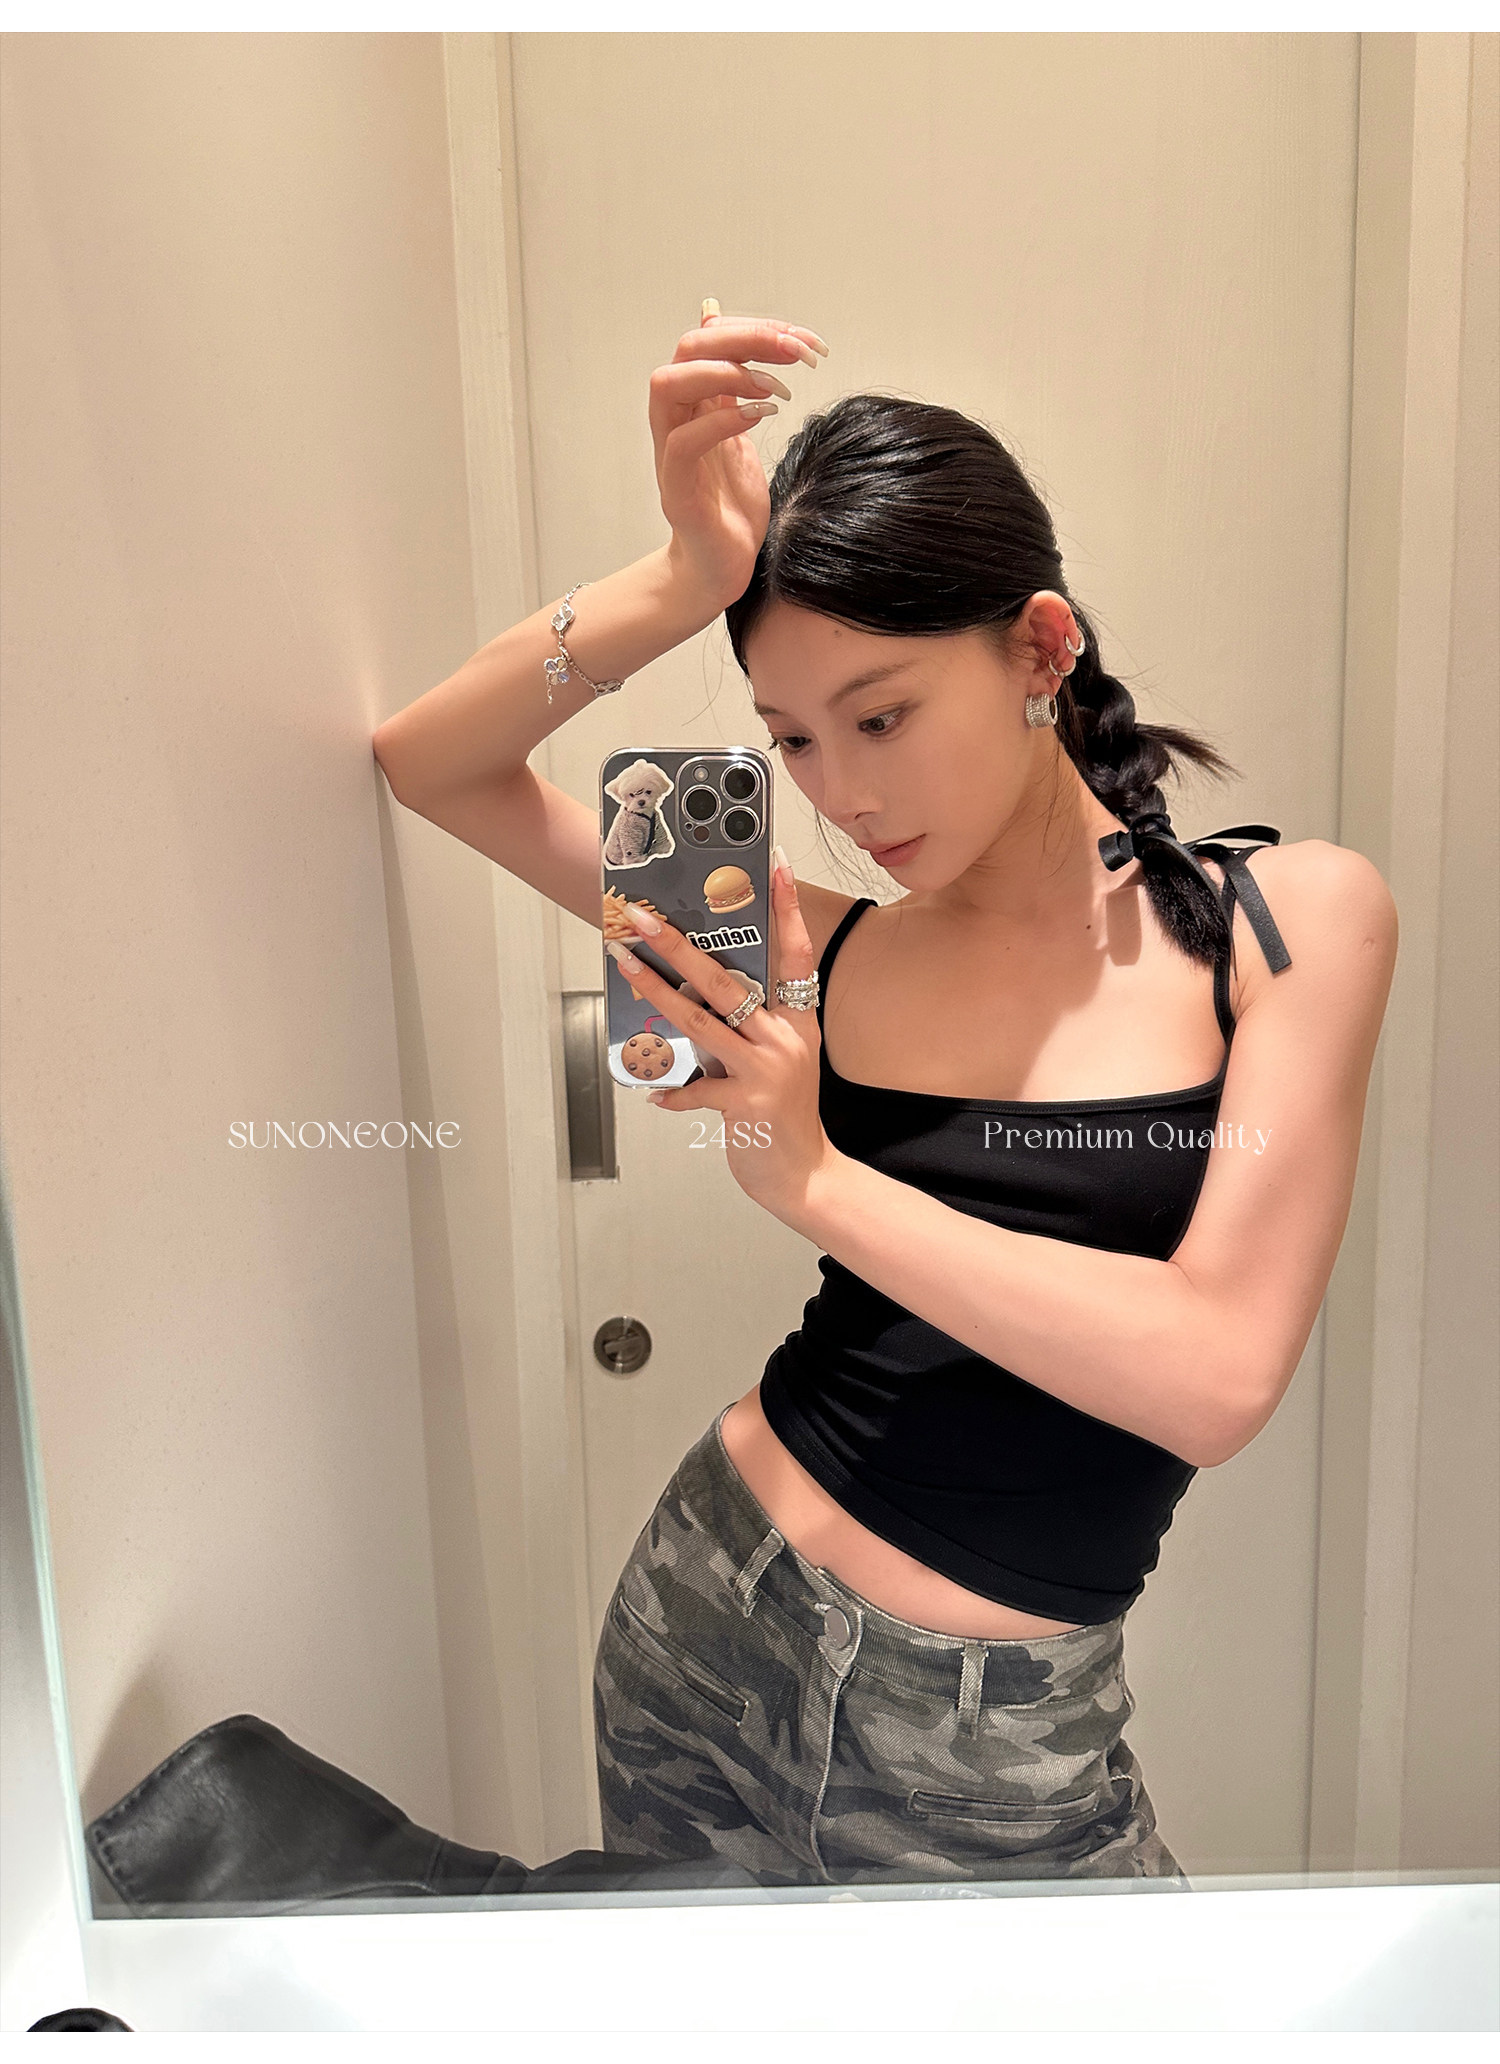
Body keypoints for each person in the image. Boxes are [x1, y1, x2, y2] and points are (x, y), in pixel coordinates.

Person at [371, 302, 1398, 1890]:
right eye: (790, 737)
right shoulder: (814, 941)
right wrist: (681, 580)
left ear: (1039, 649)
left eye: (884, 715)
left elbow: (1216, 1376)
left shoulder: (1287, 923)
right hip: (704, 1617)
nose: (842, 793)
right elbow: (435, 762)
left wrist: (819, 1181)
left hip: (994, 1728)